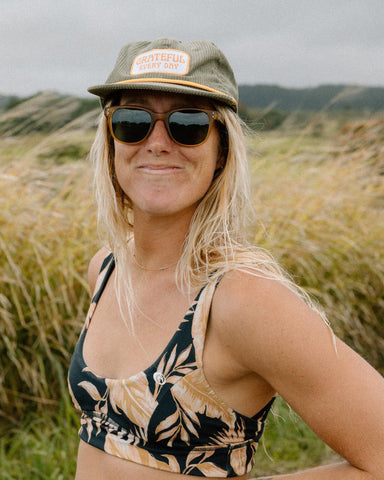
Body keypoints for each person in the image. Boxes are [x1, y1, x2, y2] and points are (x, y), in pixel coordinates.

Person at [67, 38, 384, 479]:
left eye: (189, 125)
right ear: (111, 141)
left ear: (221, 152)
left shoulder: (242, 300)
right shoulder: (106, 269)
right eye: (133, 121)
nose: (157, 142)